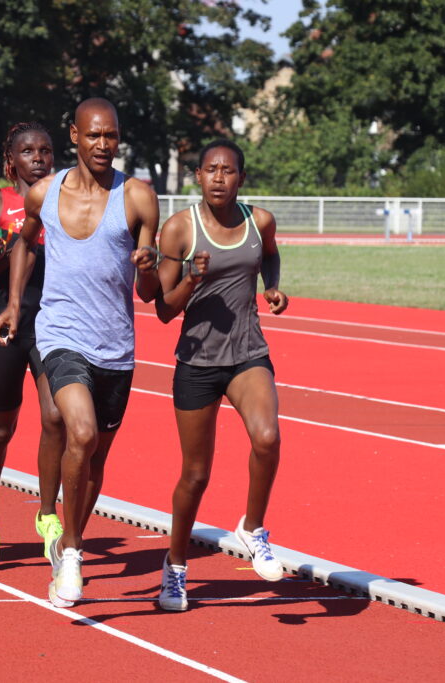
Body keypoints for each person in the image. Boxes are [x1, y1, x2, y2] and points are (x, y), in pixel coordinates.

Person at [0, 98, 160, 607]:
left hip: (117, 347)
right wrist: (17, 305)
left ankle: (72, 539)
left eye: (111, 136)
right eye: (94, 136)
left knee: (96, 457)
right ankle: (70, 554)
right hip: (61, 334)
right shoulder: (45, 192)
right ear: (75, 136)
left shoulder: (137, 196)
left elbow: (150, 292)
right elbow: (23, 243)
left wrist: (148, 264)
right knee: (79, 433)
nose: (103, 145)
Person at [153, 138, 289, 611]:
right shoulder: (178, 230)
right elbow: (162, 310)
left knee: (267, 438)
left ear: (241, 178)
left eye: (227, 171)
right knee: (195, 475)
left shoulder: (260, 221)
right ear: (197, 176)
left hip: (248, 353)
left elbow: (269, 253)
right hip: (196, 362)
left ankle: (253, 529)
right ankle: (174, 569)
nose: (218, 178)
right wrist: (193, 278)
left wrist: (271, 287)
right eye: (210, 169)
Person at [0, 122, 66, 565]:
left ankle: (48, 516)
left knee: (56, 417)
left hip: (56, 323)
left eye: (45, 150)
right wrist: (8, 248)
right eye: (28, 151)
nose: (38, 158)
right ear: (12, 160)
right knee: (2, 427)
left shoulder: (65, 201)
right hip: (4, 324)